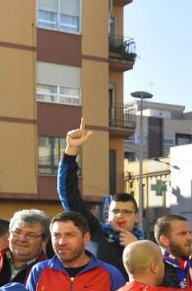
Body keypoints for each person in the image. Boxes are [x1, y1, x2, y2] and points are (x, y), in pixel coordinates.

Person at [58, 118, 143, 278]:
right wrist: (71, 152)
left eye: (126, 212)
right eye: (115, 211)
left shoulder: (146, 246)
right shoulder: (94, 232)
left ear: (136, 217)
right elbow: (69, 195)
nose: (120, 216)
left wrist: (136, 248)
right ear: (107, 215)